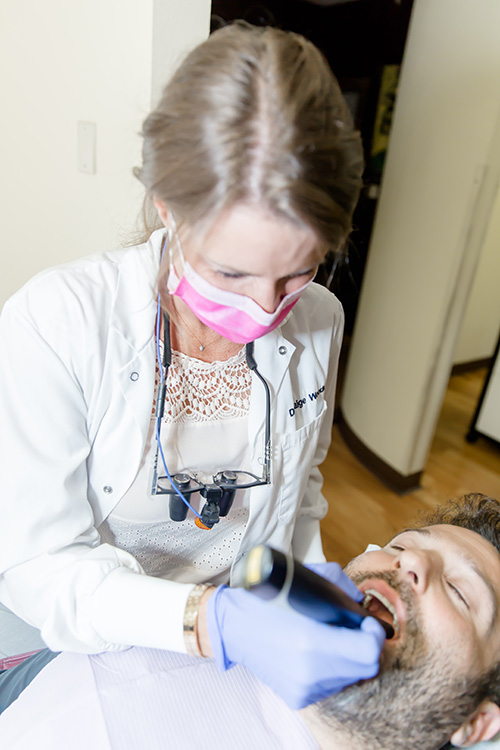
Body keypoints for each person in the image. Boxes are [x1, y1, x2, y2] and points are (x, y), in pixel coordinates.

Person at [0, 22, 384, 712]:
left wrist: (307, 589)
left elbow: (302, 486)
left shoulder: (320, 318)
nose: (266, 309)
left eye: (298, 271)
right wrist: (207, 623)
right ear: (165, 205)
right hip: (73, 638)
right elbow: (38, 568)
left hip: (233, 643)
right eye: (230, 271)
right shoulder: (56, 324)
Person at [2, 493, 500, 750]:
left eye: (460, 592)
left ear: (477, 721)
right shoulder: (226, 621)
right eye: (401, 545)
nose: (410, 563)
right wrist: (211, 621)